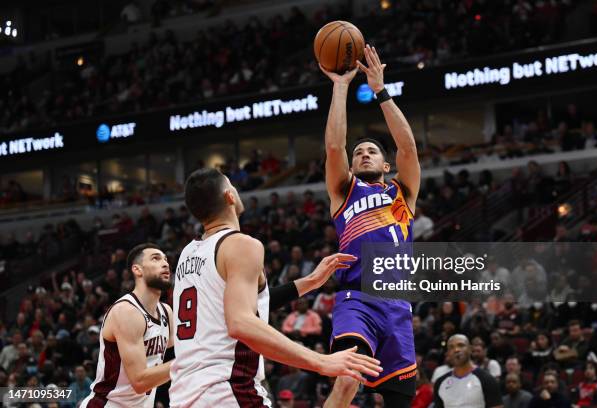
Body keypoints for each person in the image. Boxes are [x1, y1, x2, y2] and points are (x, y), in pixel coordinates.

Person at [169, 168, 382, 407]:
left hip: (184, 393)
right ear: (230, 196)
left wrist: (309, 282)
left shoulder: (188, 254)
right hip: (226, 390)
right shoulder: (241, 244)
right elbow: (241, 322)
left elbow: (246, 302)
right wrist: (321, 361)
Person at [320, 44, 421, 408]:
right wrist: (341, 86)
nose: (363, 153)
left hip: (397, 306)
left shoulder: (401, 193)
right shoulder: (344, 191)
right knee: (347, 379)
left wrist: (381, 91)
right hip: (357, 298)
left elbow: (408, 149)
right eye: (359, 151)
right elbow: (334, 147)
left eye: (372, 151)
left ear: (386, 166)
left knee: (400, 401)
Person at [80, 243, 174, 407]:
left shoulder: (166, 311)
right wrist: (188, 362)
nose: (165, 263)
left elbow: (180, 348)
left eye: (165, 259)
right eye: (156, 259)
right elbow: (139, 381)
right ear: (137, 270)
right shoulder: (126, 311)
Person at [433, 334, 503, 408]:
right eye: (451, 347)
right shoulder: (440, 383)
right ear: (448, 354)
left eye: (461, 345)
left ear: (470, 349)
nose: (456, 350)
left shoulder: (487, 380)